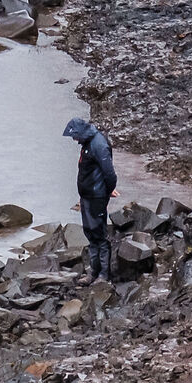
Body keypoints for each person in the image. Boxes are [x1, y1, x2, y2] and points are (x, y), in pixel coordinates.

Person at [64, 117, 117, 281]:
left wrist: (106, 193)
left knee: (99, 235)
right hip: (87, 196)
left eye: (74, 135)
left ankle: (103, 274)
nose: (74, 139)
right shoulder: (87, 143)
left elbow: (110, 174)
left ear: (81, 132)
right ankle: (93, 272)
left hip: (97, 197)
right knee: (90, 233)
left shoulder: (99, 145)